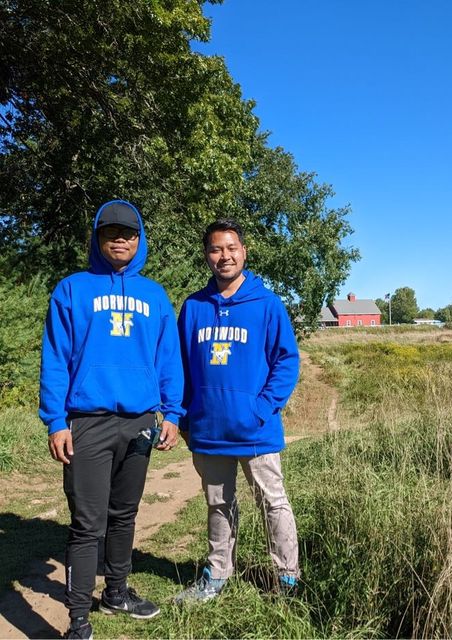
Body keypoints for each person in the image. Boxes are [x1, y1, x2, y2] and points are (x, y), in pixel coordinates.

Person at [39, 200, 184, 639]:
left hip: (139, 420)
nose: (120, 239)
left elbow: (167, 359)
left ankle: (117, 591)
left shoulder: (155, 294)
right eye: (110, 232)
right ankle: (79, 620)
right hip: (87, 422)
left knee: (124, 513)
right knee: (88, 524)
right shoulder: (72, 290)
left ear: (139, 240)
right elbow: (55, 359)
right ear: (98, 238)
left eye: (128, 233)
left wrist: (172, 412)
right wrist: (56, 420)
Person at [174, 219, 300, 603]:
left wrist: (261, 409)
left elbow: (286, 361)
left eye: (231, 248)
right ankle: (218, 573)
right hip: (208, 430)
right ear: (207, 256)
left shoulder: (267, 304)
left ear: (244, 252)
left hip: (256, 430)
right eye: (215, 249)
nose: (224, 256)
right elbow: (179, 367)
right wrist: (183, 416)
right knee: (218, 503)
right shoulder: (193, 307)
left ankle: (287, 576)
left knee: (273, 502)